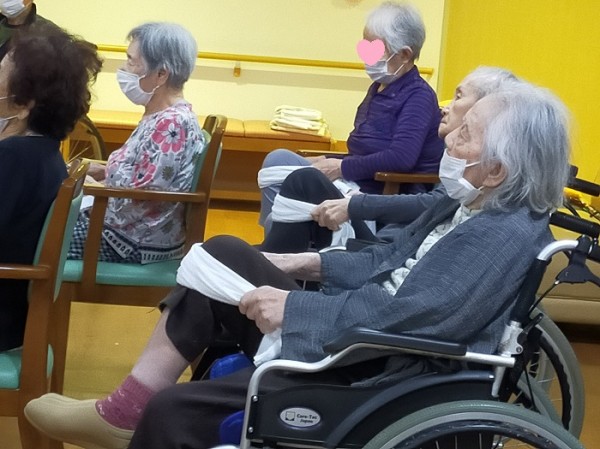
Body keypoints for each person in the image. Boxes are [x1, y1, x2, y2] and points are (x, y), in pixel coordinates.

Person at [25, 82, 571, 449]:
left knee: (173, 412)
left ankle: (142, 414)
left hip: (372, 360)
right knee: (224, 253)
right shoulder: (471, 204)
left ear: (497, 170)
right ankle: (127, 408)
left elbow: (409, 319)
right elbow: (385, 260)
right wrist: (305, 264)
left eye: (466, 134)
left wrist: (294, 306)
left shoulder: (495, 235)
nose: (447, 137)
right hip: (363, 325)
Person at [260, 66, 520, 253]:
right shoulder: (379, 90)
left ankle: (271, 264)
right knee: (281, 163)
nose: (445, 107)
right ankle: (272, 259)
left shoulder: (475, 161)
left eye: (459, 97)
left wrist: (354, 202)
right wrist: (334, 160)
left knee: (302, 182)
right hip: (383, 230)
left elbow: (416, 181)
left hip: (385, 232)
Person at [259, 1, 444, 231]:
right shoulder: (379, 87)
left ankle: (281, 234)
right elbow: (366, 152)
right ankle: (281, 231)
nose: (367, 56)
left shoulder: (419, 96)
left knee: (278, 208)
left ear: (405, 55)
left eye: (375, 48)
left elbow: (401, 158)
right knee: (278, 160)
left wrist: (340, 167)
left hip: (372, 195)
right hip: (352, 180)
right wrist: (327, 159)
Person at [67, 22, 206, 264]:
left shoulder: (171, 123)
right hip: (123, 230)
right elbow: (143, 172)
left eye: (132, 62)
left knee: (33, 244)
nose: (124, 69)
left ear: (161, 74)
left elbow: (147, 192)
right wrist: (103, 171)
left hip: (130, 242)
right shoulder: (161, 116)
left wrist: (91, 186)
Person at [0, 24, 102, 352]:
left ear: (24, 103)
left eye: (1, 70)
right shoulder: (44, 152)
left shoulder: (13, 157)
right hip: (15, 313)